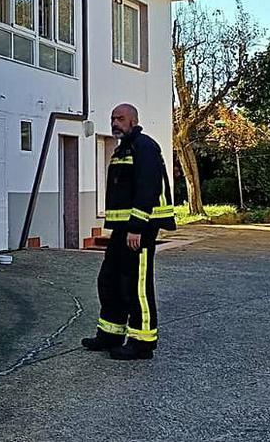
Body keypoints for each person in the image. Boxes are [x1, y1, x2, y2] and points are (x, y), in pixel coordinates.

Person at [81, 104, 176, 361]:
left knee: (137, 286)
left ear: (133, 121)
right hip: (123, 229)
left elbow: (148, 187)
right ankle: (110, 334)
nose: (115, 122)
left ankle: (142, 343)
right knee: (110, 280)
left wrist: (136, 227)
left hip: (140, 229)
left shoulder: (144, 146)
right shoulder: (122, 148)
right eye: (112, 118)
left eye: (120, 118)